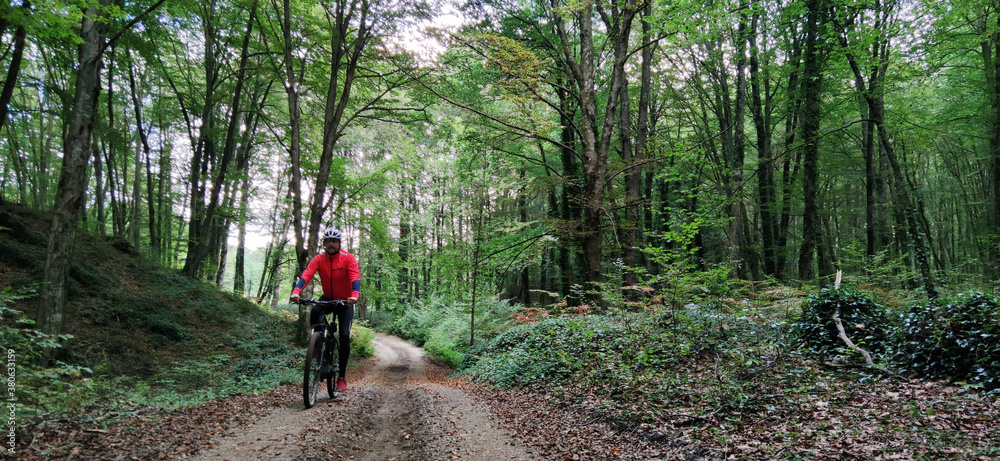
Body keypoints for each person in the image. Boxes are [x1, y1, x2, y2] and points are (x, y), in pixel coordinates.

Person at [290, 228, 360, 392]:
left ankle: (341, 376)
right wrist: (296, 292)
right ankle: (318, 343)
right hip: (328, 298)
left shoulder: (348, 258)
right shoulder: (319, 259)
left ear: (339, 243)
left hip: (345, 301)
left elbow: (354, 277)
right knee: (315, 312)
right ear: (324, 243)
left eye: (334, 241)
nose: (331, 244)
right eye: (327, 241)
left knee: (343, 335)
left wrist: (354, 295)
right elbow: (307, 274)